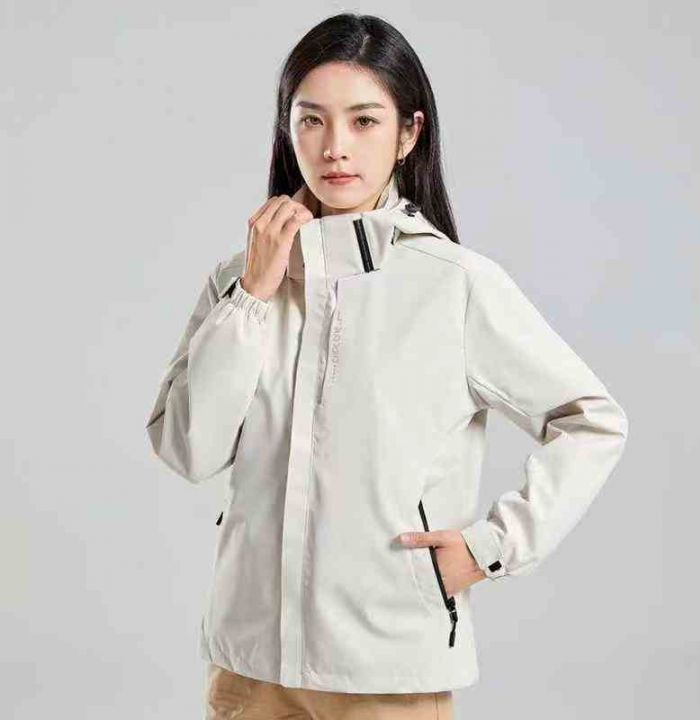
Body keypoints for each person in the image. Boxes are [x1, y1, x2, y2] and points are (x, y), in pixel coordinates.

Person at [145, 12, 629, 720]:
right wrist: (252, 295)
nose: (335, 147)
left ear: (409, 133)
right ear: (288, 129)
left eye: (364, 121)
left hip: (386, 671)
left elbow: (591, 421)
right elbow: (190, 449)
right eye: (311, 120)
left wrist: (492, 547)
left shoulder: (454, 285)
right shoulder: (239, 280)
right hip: (247, 669)